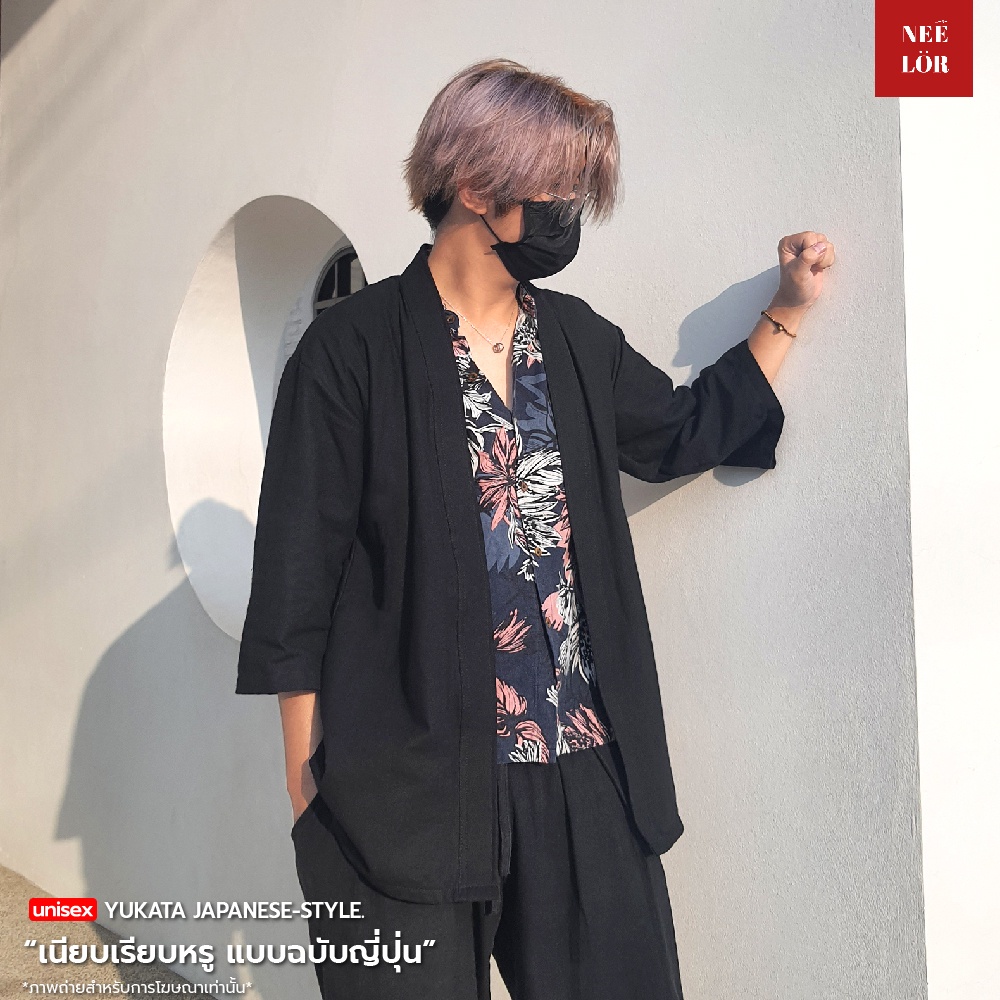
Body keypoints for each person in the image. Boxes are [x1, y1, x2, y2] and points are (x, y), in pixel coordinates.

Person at [236, 57, 834, 1000]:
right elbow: (297, 567)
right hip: (407, 775)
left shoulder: (575, 340)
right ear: (476, 184)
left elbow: (679, 431)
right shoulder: (349, 350)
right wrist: (304, 783)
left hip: (582, 758)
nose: (571, 215)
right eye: (560, 188)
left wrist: (785, 313)